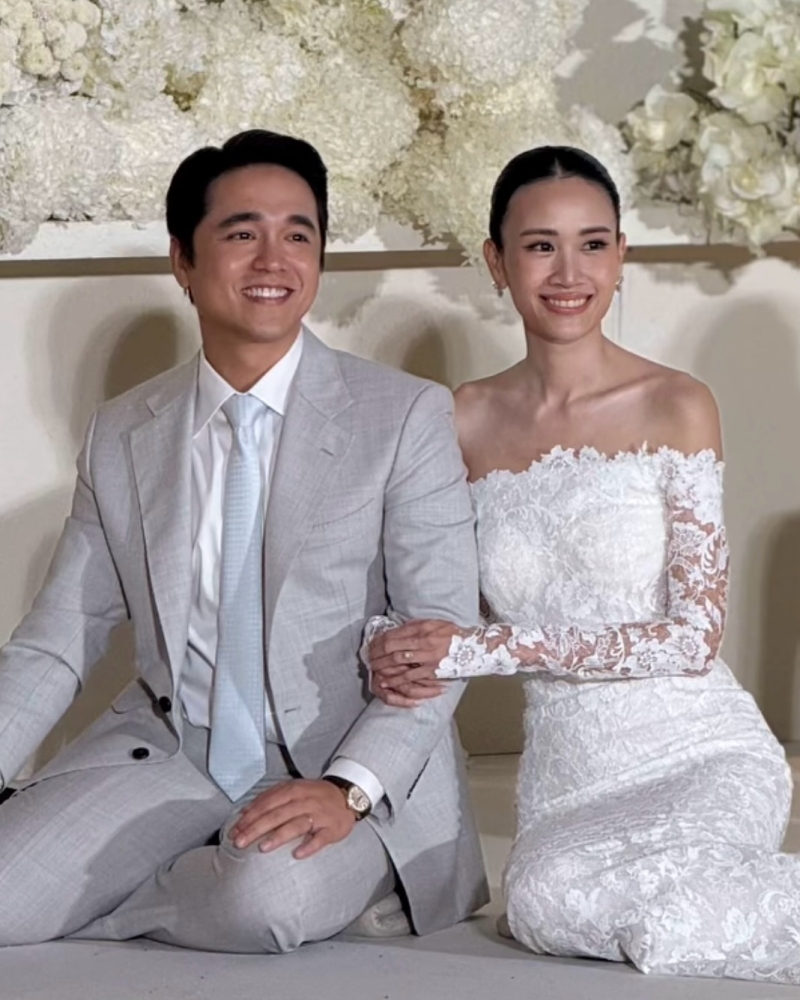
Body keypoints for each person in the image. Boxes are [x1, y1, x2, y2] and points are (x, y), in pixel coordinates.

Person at [0, 129, 488, 951]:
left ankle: (182, 884)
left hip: (337, 758)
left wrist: (351, 788)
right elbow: (59, 638)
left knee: (260, 902)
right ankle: (180, 871)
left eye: (298, 234)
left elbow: (441, 636)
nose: (273, 259)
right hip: (172, 747)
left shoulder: (403, 415)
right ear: (183, 260)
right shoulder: (123, 431)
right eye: (241, 233)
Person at [368, 146, 800, 986]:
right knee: (541, 906)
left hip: (700, 747)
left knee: (641, 894)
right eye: (540, 246)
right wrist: (392, 640)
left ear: (620, 256)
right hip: (568, 779)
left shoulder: (677, 404)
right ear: (497, 262)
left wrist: (477, 650)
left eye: (593, 244)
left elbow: (694, 638)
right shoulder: (459, 419)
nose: (569, 273)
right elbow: (426, 592)